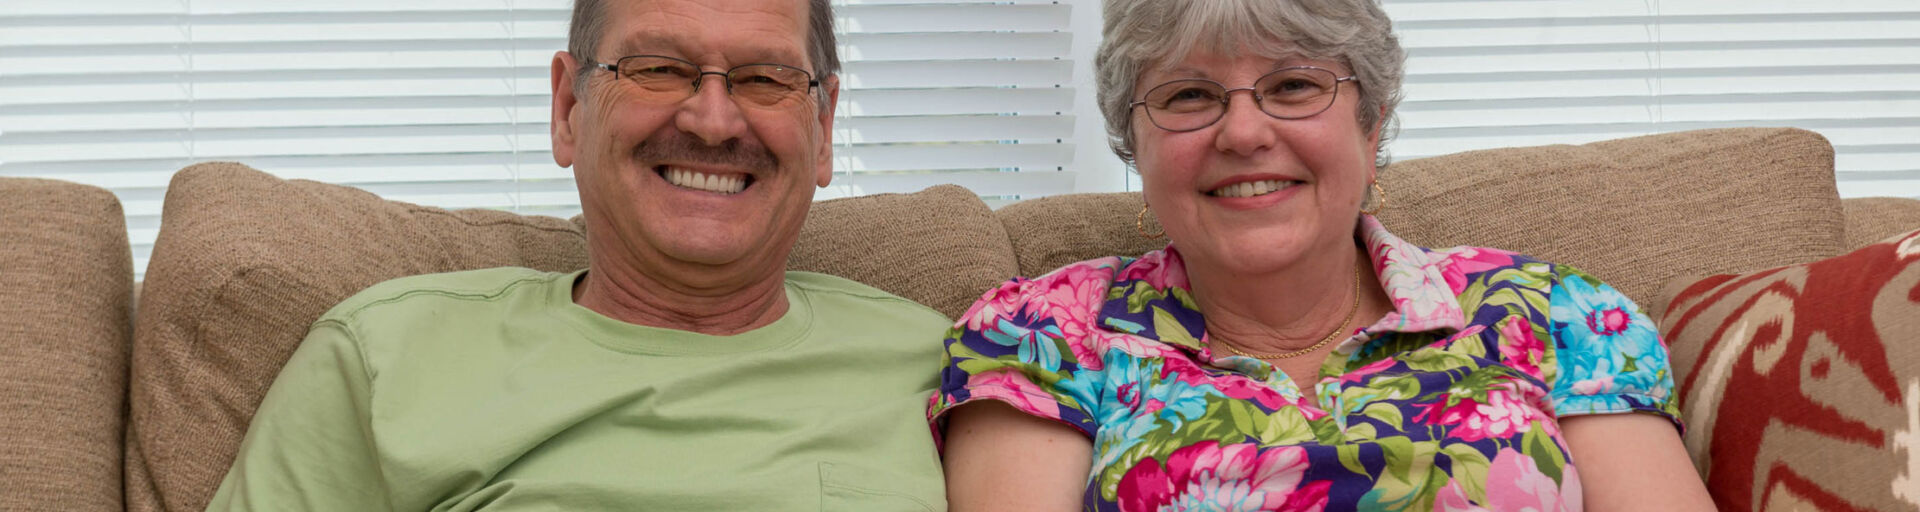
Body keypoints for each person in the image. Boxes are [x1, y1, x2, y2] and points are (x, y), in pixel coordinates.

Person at [930, 0, 1717, 510]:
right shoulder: (1036, 335)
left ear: (1371, 129)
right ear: (1134, 148)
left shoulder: (1557, 313)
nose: (1242, 133)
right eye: (1189, 96)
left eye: (1295, 86)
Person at [206, 0, 949, 509]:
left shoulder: (954, 368)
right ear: (569, 109)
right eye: (658, 68)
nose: (715, 120)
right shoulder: (382, 359)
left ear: (822, 128)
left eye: (765, 79)